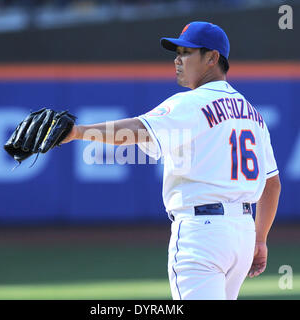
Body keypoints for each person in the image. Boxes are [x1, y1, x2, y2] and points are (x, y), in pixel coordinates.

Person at [62, 21, 281, 300]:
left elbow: (137, 131)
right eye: (177, 52)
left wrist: (79, 132)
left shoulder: (190, 103)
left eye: (187, 52)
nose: (177, 59)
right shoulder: (253, 114)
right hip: (242, 234)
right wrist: (260, 238)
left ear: (212, 58)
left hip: (202, 236)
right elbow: (272, 184)